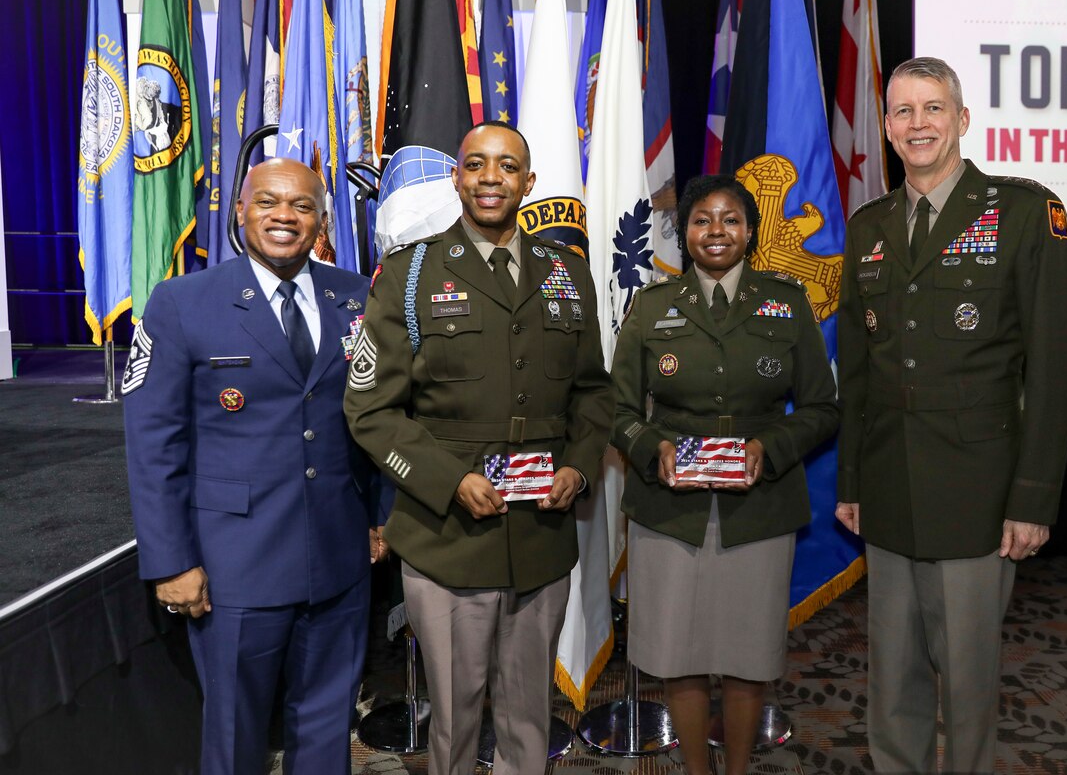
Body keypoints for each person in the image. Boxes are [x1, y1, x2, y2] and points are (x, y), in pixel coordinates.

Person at [835, 57, 1067, 774]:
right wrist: (851, 480)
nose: (918, 125)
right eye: (904, 112)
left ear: (963, 119)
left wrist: (1033, 498)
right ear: (885, 128)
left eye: (933, 109)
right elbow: (858, 371)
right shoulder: (870, 226)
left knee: (969, 683)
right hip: (887, 481)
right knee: (892, 675)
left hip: (978, 489)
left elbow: (1056, 368)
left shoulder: (1024, 213)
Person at [344, 121, 612, 775]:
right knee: (456, 716)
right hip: (448, 535)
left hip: (541, 532)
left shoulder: (566, 273)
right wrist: (448, 478)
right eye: (477, 165)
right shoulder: (410, 277)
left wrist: (578, 465)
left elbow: (594, 393)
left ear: (529, 182)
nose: (491, 178)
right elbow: (370, 405)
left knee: (528, 713)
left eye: (507, 166)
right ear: (458, 177)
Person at [123, 157, 389, 775]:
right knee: (236, 737)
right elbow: (153, 443)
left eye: (300, 205)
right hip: (232, 566)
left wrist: (382, 515)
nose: (284, 216)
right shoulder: (182, 303)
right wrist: (170, 562)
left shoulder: (354, 296)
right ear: (239, 211)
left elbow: (376, 415)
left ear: (321, 218)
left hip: (338, 558)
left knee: (327, 731)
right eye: (268, 202)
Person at [609, 174, 839, 775]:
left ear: (751, 232)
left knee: (747, 655)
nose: (716, 231)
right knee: (678, 654)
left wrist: (773, 444)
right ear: (683, 233)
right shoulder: (652, 306)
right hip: (669, 509)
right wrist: (653, 447)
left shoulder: (786, 303)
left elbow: (822, 408)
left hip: (758, 508)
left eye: (731, 219)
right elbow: (617, 410)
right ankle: (694, 769)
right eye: (702, 220)